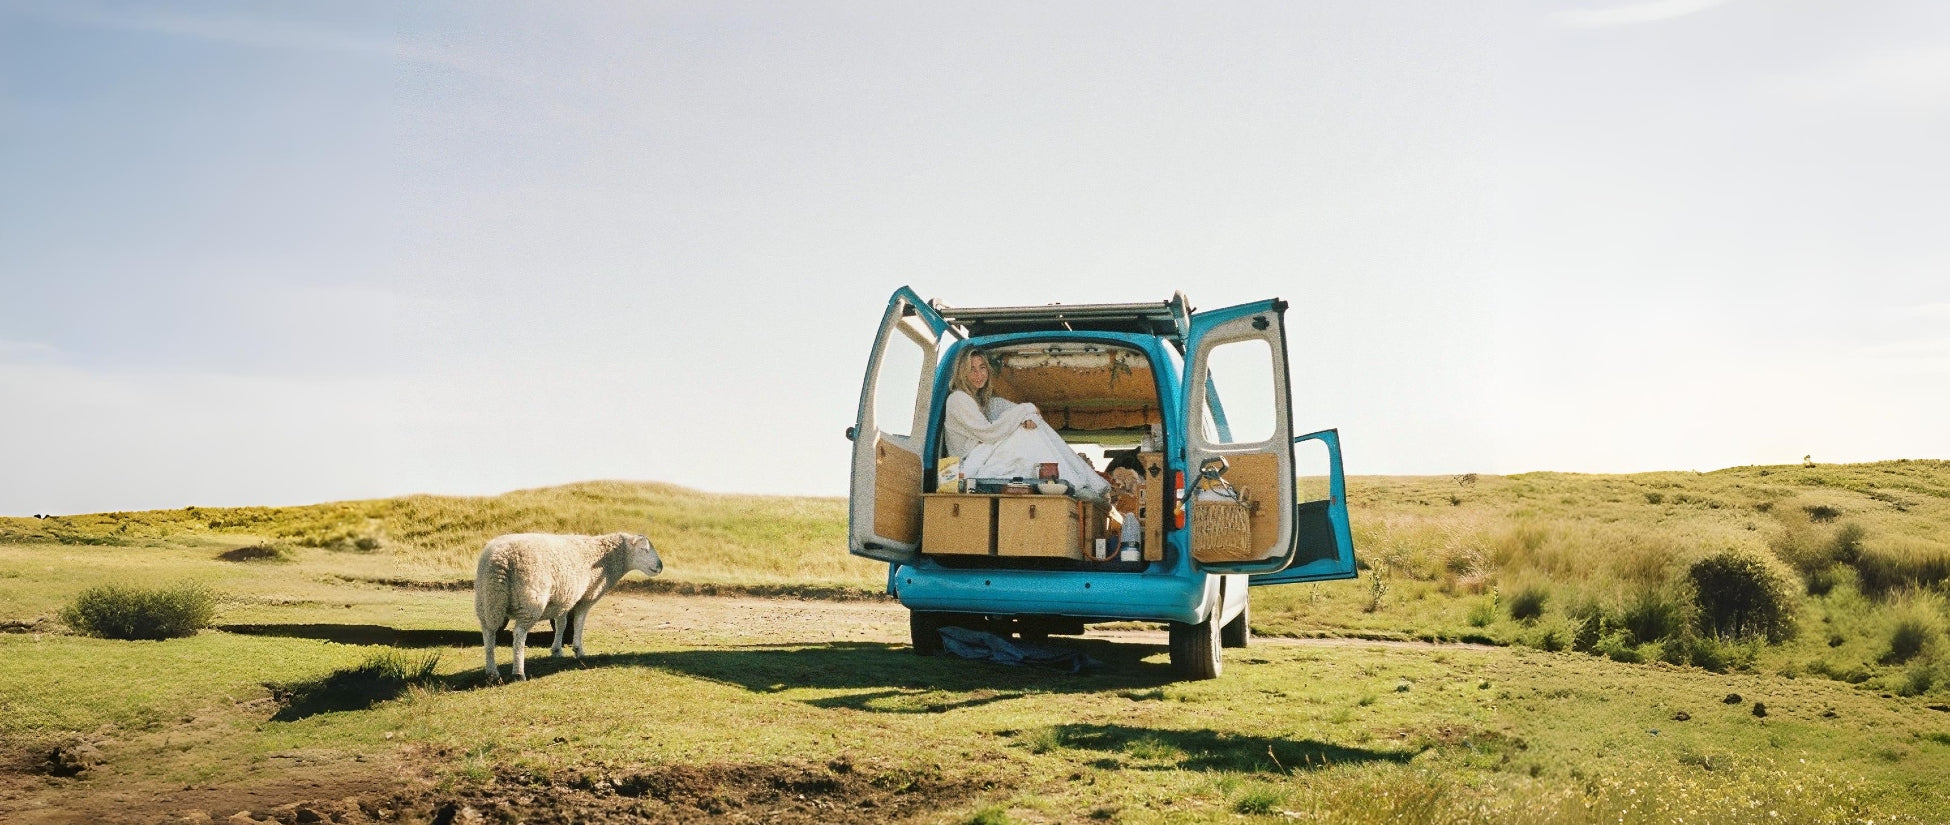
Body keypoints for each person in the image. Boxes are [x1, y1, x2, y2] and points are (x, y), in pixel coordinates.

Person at [943, 349, 1110, 499]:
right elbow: (989, 433)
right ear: (962, 372)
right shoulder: (958, 399)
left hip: (982, 454)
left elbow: (1021, 412)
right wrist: (1025, 410)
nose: (978, 374)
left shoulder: (983, 401)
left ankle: (1080, 481)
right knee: (1026, 433)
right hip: (966, 465)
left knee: (1031, 428)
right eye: (972, 369)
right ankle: (1078, 483)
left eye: (982, 367)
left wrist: (1028, 415)